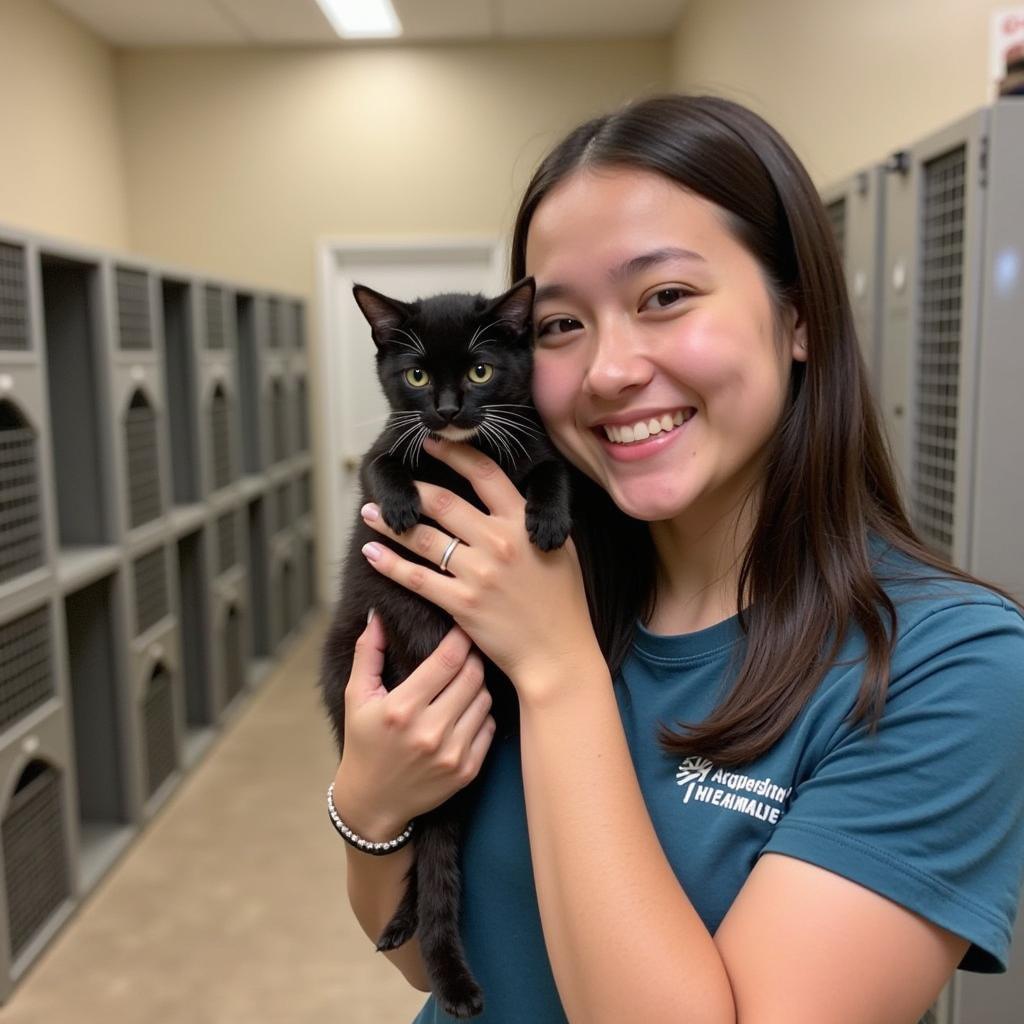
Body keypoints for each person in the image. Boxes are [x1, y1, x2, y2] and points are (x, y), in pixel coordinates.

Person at [330, 94, 1024, 1023]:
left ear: (800, 315)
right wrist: (367, 808)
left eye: (665, 297)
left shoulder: (950, 668)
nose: (610, 370)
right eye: (561, 326)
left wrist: (560, 671)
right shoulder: (531, 566)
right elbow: (428, 966)